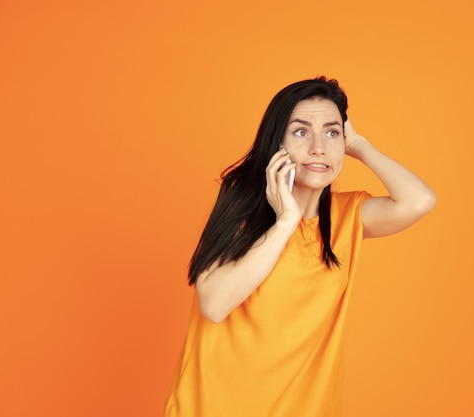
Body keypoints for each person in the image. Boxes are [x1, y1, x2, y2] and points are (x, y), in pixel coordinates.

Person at [164, 76, 436, 417]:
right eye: (301, 131)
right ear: (276, 142)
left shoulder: (345, 216)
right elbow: (215, 304)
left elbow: (420, 200)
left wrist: (359, 145)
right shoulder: (242, 203)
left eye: (332, 133)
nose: (319, 147)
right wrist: (285, 222)